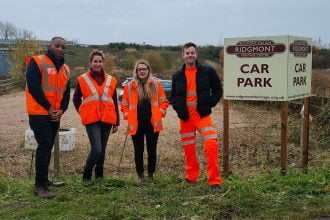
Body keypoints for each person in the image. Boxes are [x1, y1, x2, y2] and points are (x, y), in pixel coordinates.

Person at [171, 42, 223, 191]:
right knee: (189, 150)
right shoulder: (177, 76)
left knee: (211, 145)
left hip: (202, 116)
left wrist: (209, 104)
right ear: (183, 55)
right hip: (185, 118)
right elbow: (174, 96)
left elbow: (218, 90)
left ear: (196, 54)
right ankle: (191, 177)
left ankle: (214, 181)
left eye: (192, 53)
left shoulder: (208, 72)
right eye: (187, 53)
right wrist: (178, 109)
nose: (190, 55)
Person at [26, 36, 70, 199]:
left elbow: (65, 93)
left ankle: (44, 181)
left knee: (48, 146)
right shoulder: (37, 62)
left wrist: (62, 110)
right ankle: (39, 186)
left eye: (63, 47)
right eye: (57, 46)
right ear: (49, 46)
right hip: (39, 113)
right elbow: (34, 87)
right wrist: (50, 108)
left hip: (55, 114)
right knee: (44, 145)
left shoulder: (66, 68)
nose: (60, 49)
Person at [73, 50, 119, 181]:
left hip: (107, 119)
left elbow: (114, 101)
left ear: (103, 63)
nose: (97, 64)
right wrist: (83, 113)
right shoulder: (82, 79)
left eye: (100, 61)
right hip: (92, 120)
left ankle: (99, 176)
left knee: (102, 150)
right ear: (90, 62)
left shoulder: (111, 80)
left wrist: (116, 122)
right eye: (95, 61)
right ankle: (87, 174)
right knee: (97, 149)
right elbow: (76, 99)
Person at [121, 60, 169, 182]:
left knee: (152, 150)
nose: (142, 71)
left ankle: (151, 174)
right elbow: (124, 105)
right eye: (139, 69)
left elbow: (164, 103)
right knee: (138, 150)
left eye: (144, 69)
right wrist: (128, 116)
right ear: (136, 72)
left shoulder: (156, 85)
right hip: (136, 124)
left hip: (152, 124)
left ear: (148, 71)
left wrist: (159, 114)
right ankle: (140, 175)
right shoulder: (129, 86)